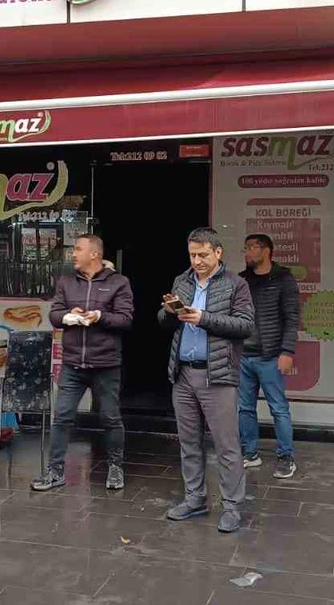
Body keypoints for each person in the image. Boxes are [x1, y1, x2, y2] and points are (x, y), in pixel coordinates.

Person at [158, 227, 254, 534]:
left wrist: (204, 318)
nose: (196, 261)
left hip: (218, 375)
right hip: (183, 373)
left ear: (218, 252)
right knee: (189, 443)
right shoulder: (182, 281)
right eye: (192, 255)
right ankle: (195, 498)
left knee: (226, 445)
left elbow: (245, 326)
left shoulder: (236, 284)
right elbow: (164, 324)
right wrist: (169, 312)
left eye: (202, 255)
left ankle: (232, 507)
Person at [33, 235, 135, 491]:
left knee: (110, 418)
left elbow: (125, 319)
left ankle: (115, 468)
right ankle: (55, 471)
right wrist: (69, 316)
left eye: (78, 249)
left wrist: (99, 316)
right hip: (73, 364)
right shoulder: (67, 282)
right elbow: (54, 315)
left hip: (106, 364)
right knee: (62, 418)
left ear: (94, 254)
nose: (73, 254)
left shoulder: (119, 283)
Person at [238, 234, 300, 479]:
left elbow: (292, 318)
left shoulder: (283, 278)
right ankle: (250, 453)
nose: (246, 253)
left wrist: (287, 351)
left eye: (251, 248)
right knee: (245, 408)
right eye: (245, 248)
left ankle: (286, 457)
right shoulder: (242, 280)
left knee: (278, 409)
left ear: (266, 251)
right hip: (243, 355)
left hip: (271, 356)